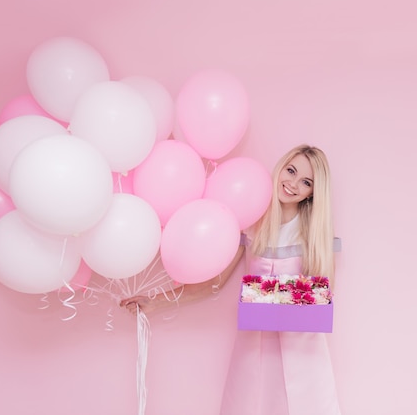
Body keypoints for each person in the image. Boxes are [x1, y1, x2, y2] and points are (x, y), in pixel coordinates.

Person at [121, 144, 341, 414]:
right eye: (291, 171)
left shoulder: (315, 236)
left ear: (312, 193)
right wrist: (155, 302)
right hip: (255, 348)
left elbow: (320, 302)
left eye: (305, 182)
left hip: (303, 352)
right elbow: (215, 282)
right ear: (280, 168)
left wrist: (266, 296)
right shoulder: (252, 222)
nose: (293, 184)